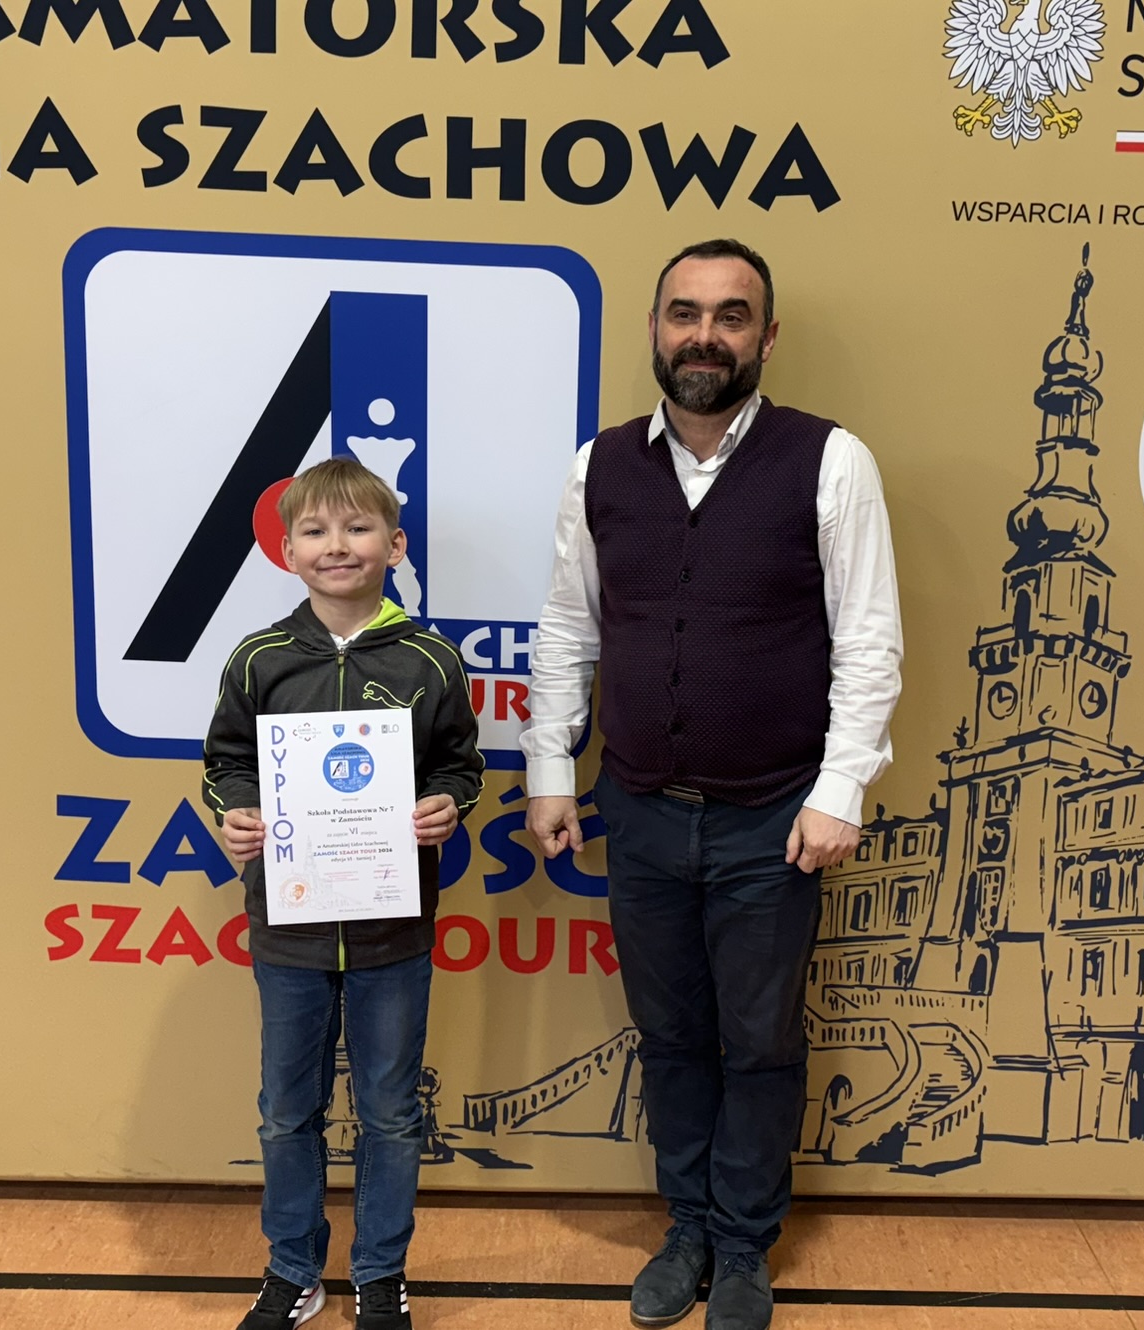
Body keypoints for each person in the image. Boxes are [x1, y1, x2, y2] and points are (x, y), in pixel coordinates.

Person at [524, 239, 904, 1329]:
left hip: (773, 820)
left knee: (761, 1042)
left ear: (765, 338)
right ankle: (685, 1223)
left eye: (731, 316)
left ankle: (742, 1242)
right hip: (639, 808)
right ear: (655, 329)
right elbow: (568, 626)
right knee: (672, 1037)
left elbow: (868, 640)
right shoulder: (599, 466)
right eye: (684, 313)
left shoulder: (831, 461)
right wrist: (550, 768)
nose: (705, 335)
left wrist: (840, 790)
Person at [206, 457, 486, 1330]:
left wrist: (448, 804)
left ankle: (380, 1272)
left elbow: (460, 764)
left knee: (392, 1114)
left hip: (392, 934)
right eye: (316, 531)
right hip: (288, 930)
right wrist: (235, 813)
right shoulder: (259, 659)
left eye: (358, 528)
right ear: (288, 551)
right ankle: (292, 1268)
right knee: (287, 1113)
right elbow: (226, 762)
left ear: (394, 546)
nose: (338, 546)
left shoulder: (429, 660)